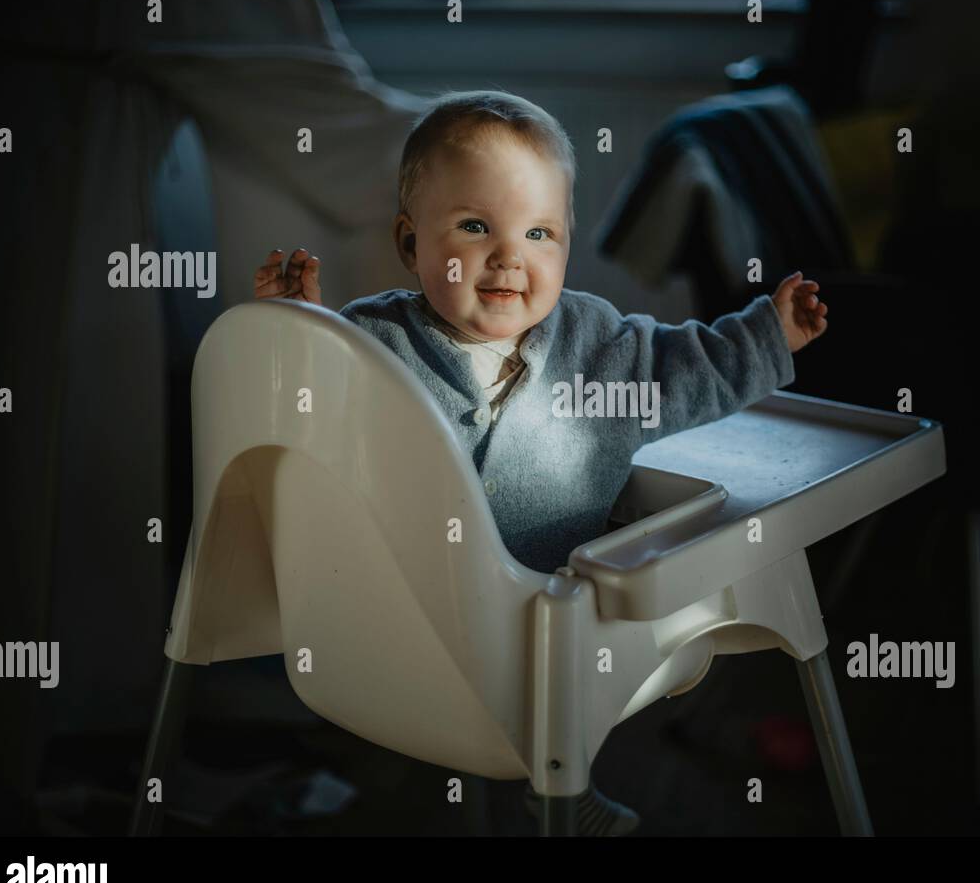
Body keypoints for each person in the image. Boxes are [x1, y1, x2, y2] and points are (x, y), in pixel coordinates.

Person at [253, 90, 828, 834]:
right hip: (395, 612)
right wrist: (291, 330)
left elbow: (684, 367)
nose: (508, 257)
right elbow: (299, 423)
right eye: (473, 226)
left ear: (564, 244)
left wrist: (765, 337)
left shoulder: (599, 346)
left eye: (538, 233)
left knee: (593, 627)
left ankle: (561, 784)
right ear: (410, 243)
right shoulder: (370, 342)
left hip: (542, 622)